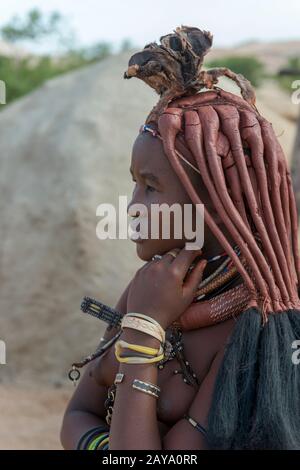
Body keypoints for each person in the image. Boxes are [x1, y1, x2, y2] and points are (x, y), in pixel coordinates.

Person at [60, 26, 300, 450]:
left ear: (214, 204)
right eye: (133, 184)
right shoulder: (150, 286)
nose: (132, 205)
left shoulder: (253, 327)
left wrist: (145, 329)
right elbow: (77, 417)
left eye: (150, 187)